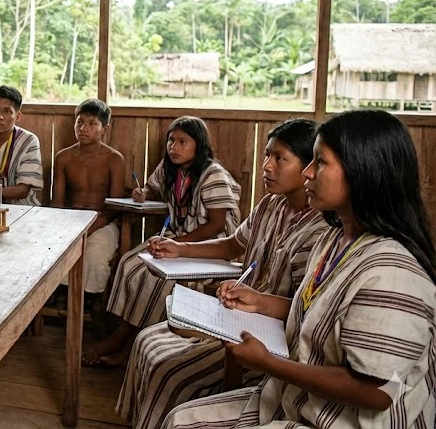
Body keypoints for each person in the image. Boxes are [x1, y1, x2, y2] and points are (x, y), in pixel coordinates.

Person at [163, 109, 436, 429]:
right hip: (298, 401)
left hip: (342, 420)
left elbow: (378, 391)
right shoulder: (336, 239)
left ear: (363, 171)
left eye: (320, 162)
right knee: (181, 418)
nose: (308, 172)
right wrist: (260, 301)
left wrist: (269, 363)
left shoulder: (392, 274)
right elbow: (319, 312)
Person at [117, 119, 330, 429]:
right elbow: (233, 244)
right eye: (267, 156)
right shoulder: (270, 205)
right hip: (236, 316)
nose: (266, 167)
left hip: (268, 337)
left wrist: (257, 301)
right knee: (148, 339)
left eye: (279, 158)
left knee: (170, 372)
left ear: (308, 166)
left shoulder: (323, 229)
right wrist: (180, 248)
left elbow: (305, 310)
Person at [86, 115, 241, 368]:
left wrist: (180, 244)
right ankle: (120, 335)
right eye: (171, 140)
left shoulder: (212, 173)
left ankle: (126, 343)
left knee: (157, 278)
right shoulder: (171, 168)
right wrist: (143, 192)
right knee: (129, 263)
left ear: (198, 145)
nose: (174, 147)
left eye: (183, 141)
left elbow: (217, 224)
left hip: (210, 247)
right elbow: (153, 188)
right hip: (179, 241)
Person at [51, 99, 126, 300]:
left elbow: (114, 207)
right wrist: (66, 229)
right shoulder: (63, 158)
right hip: (69, 221)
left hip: (102, 223)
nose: (83, 128)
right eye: (79, 122)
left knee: (94, 256)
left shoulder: (114, 160)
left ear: (104, 129)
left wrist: (88, 229)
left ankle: (92, 301)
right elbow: (57, 203)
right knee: (55, 253)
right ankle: (61, 297)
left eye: (92, 124)